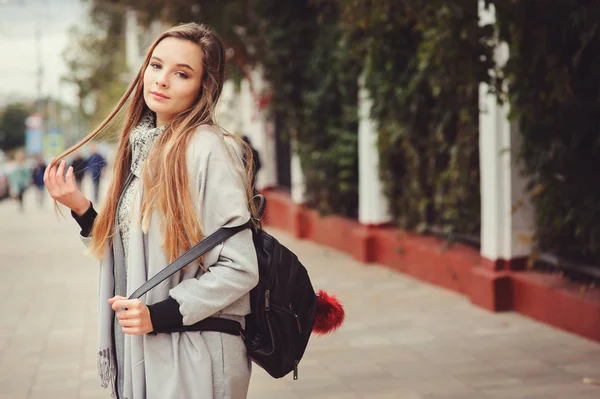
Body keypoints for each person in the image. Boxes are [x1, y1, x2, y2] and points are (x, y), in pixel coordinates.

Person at [44, 23, 259, 398]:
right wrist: (82, 209)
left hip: (197, 354)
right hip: (151, 350)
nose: (162, 80)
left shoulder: (207, 149)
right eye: (156, 66)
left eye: (181, 73)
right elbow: (136, 252)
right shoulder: (143, 149)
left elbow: (241, 268)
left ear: (202, 87)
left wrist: (158, 316)